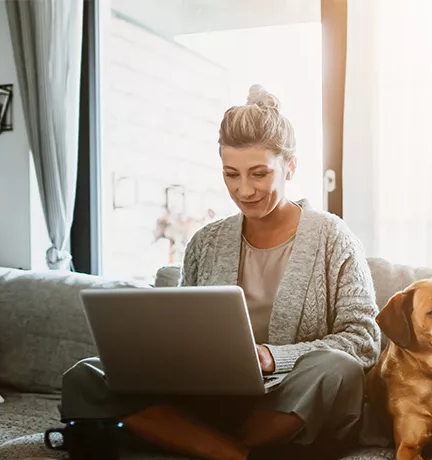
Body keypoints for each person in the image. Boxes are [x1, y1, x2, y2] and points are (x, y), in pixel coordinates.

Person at [59, 85, 381, 460]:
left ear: (290, 167)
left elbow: (363, 340)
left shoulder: (332, 237)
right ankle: (238, 455)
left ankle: (199, 444)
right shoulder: (205, 242)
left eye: (259, 174)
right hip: (212, 398)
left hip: (289, 400)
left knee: (338, 369)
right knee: (86, 375)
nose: (244, 190)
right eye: (231, 174)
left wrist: (273, 356)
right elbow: (184, 332)